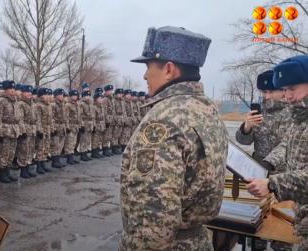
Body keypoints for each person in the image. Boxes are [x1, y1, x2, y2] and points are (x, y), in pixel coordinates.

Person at [120, 26, 228, 251]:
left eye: (149, 66)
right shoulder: (207, 110)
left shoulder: (163, 120)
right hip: (197, 240)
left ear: (169, 69)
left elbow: (152, 216)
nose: (145, 75)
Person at [246, 55, 308, 250]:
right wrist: (267, 163)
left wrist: (273, 183)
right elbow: (287, 145)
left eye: (292, 88)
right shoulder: (300, 116)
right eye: (284, 89)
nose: (288, 95)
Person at [235, 70, 292, 251]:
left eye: (271, 92)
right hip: (258, 174)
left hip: (284, 176)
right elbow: (244, 141)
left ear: (283, 90)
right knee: (257, 225)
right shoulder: (260, 112)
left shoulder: (293, 112)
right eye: (264, 92)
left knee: (283, 228)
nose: (267, 96)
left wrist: (268, 163)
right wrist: (246, 127)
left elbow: (288, 145)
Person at [0, 80, 20, 183]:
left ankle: (8, 172)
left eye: (14, 88)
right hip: (5, 130)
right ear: (5, 89)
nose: (13, 90)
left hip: (13, 130)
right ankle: (2, 174)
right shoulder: (1, 101)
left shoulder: (14, 101)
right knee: (3, 153)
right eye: (11, 88)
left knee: (11, 153)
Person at [15, 84, 37, 178]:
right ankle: (23, 169)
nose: (29, 93)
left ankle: (28, 167)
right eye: (27, 92)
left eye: (30, 92)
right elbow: (20, 119)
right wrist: (22, 131)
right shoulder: (20, 104)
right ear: (22, 93)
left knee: (30, 149)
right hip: (25, 128)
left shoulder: (32, 103)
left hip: (32, 129)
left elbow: (35, 118)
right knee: (23, 150)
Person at [34, 88, 53, 174]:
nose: (47, 96)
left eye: (48, 95)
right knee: (40, 147)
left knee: (46, 147)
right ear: (41, 96)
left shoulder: (48, 105)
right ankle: (39, 165)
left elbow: (51, 119)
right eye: (45, 95)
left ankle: (43, 163)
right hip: (42, 128)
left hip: (48, 128)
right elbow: (37, 119)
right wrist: (39, 131)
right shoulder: (38, 105)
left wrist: (52, 128)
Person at [50, 89, 66, 168]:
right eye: (60, 94)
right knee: (55, 144)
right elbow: (51, 117)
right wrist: (53, 128)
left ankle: (57, 160)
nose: (62, 96)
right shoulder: (53, 104)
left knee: (60, 144)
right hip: (56, 126)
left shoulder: (62, 104)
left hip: (62, 126)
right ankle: (54, 161)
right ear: (56, 95)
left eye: (62, 94)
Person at [64, 90, 81, 165]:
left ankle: (72, 157)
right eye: (73, 96)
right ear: (70, 96)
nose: (75, 97)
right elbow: (66, 117)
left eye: (76, 95)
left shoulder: (77, 104)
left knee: (74, 143)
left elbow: (79, 116)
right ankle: (69, 158)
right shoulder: (68, 105)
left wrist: (80, 125)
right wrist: (67, 127)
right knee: (69, 143)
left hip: (76, 126)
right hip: (70, 126)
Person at [77, 90, 93, 161]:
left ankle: (85, 153)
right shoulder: (81, 104)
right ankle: (82, 154)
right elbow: (79, 116)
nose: (88, 97)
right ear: (83, 96)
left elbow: (92, 116)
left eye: (89, 96)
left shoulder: (90, 104)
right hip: (84, 123)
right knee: (83, 140)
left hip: (90, 124)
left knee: (87, 140)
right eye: (86, 96)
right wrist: (81, 125)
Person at [91, 92, 106, 158]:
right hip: (97, 125)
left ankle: (97, 152)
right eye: (99, 98)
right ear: (96, 99)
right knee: (95, 139)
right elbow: (93, 118)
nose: (101, 99)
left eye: (101, 98)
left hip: (101, 125)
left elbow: (104, 117)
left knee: (99, 139)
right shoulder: (94, 107)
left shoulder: (102, 107)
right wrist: (94, 126)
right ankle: (94, 153)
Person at [101, 85, 115, 156]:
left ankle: (106, 148)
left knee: (109, 135)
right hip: (107, 120)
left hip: (111, 119)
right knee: (105, 135)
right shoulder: (105, 100)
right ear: (106, 91)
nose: (111, 92)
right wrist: (106, 121)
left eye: (111, 90)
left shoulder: (111, 99)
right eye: (109, 90)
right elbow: (104, 111)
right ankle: (104, 149)